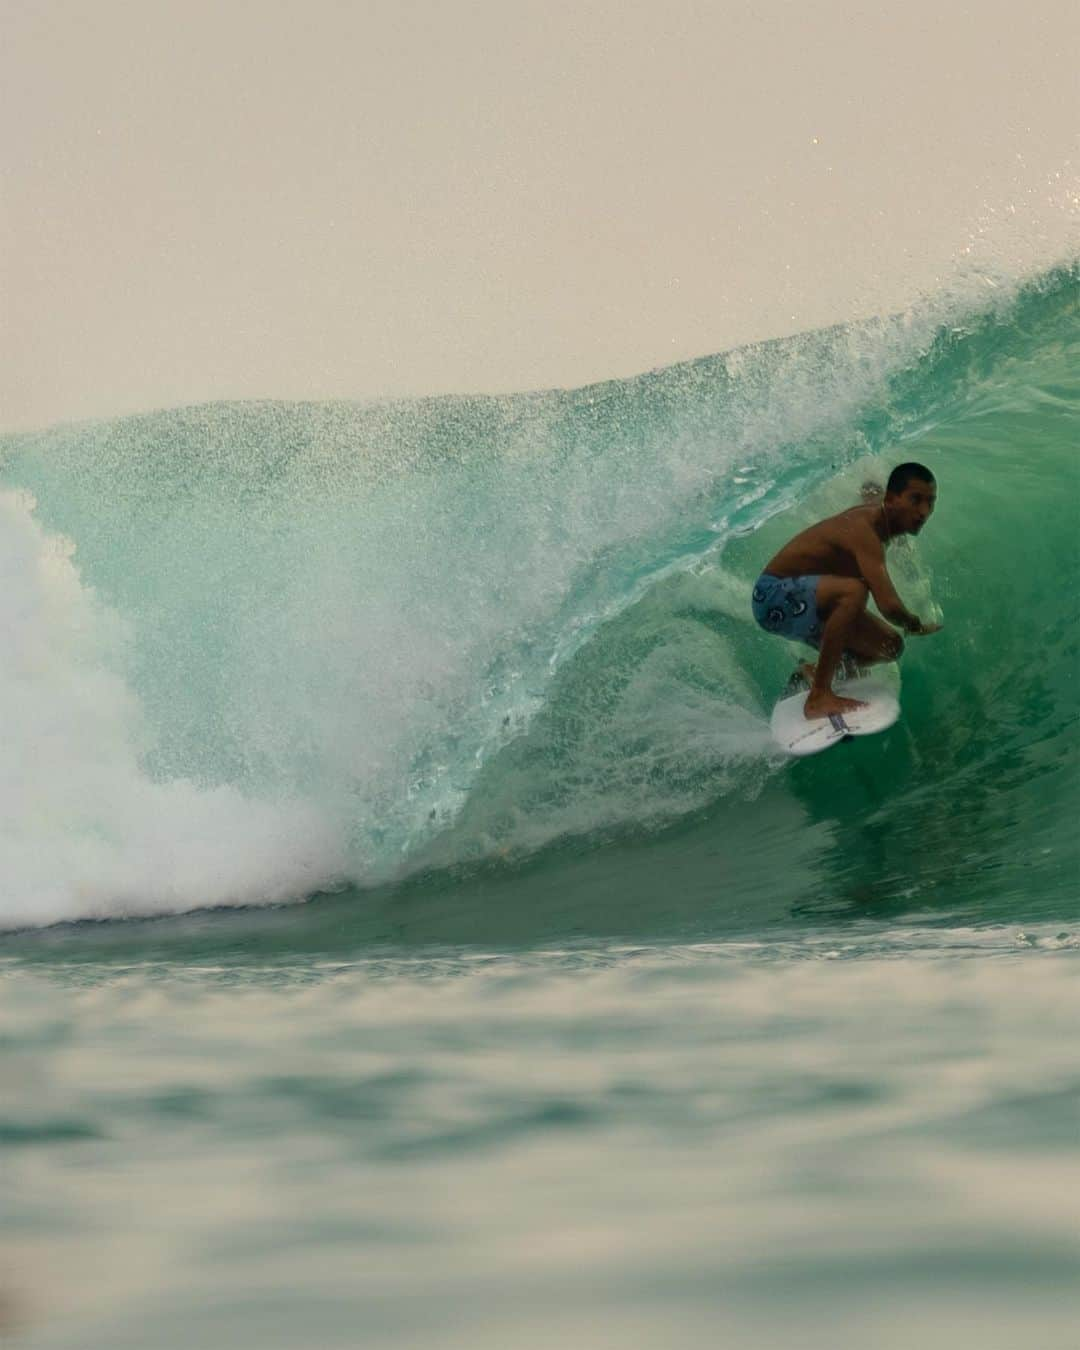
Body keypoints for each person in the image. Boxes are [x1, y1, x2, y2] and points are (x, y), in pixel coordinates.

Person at [751, 463, 941, 719]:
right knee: (854, 591)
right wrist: (915, 625)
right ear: (891, 499)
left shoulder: (881, 521)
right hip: (772, 597)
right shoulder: (865, 531)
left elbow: (873, 498)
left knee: (891, 647)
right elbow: (890, 607)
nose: (924, 511)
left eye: (930, 502)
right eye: (915, 500)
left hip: (809, 604)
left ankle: (813, 671)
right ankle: (819, 696)